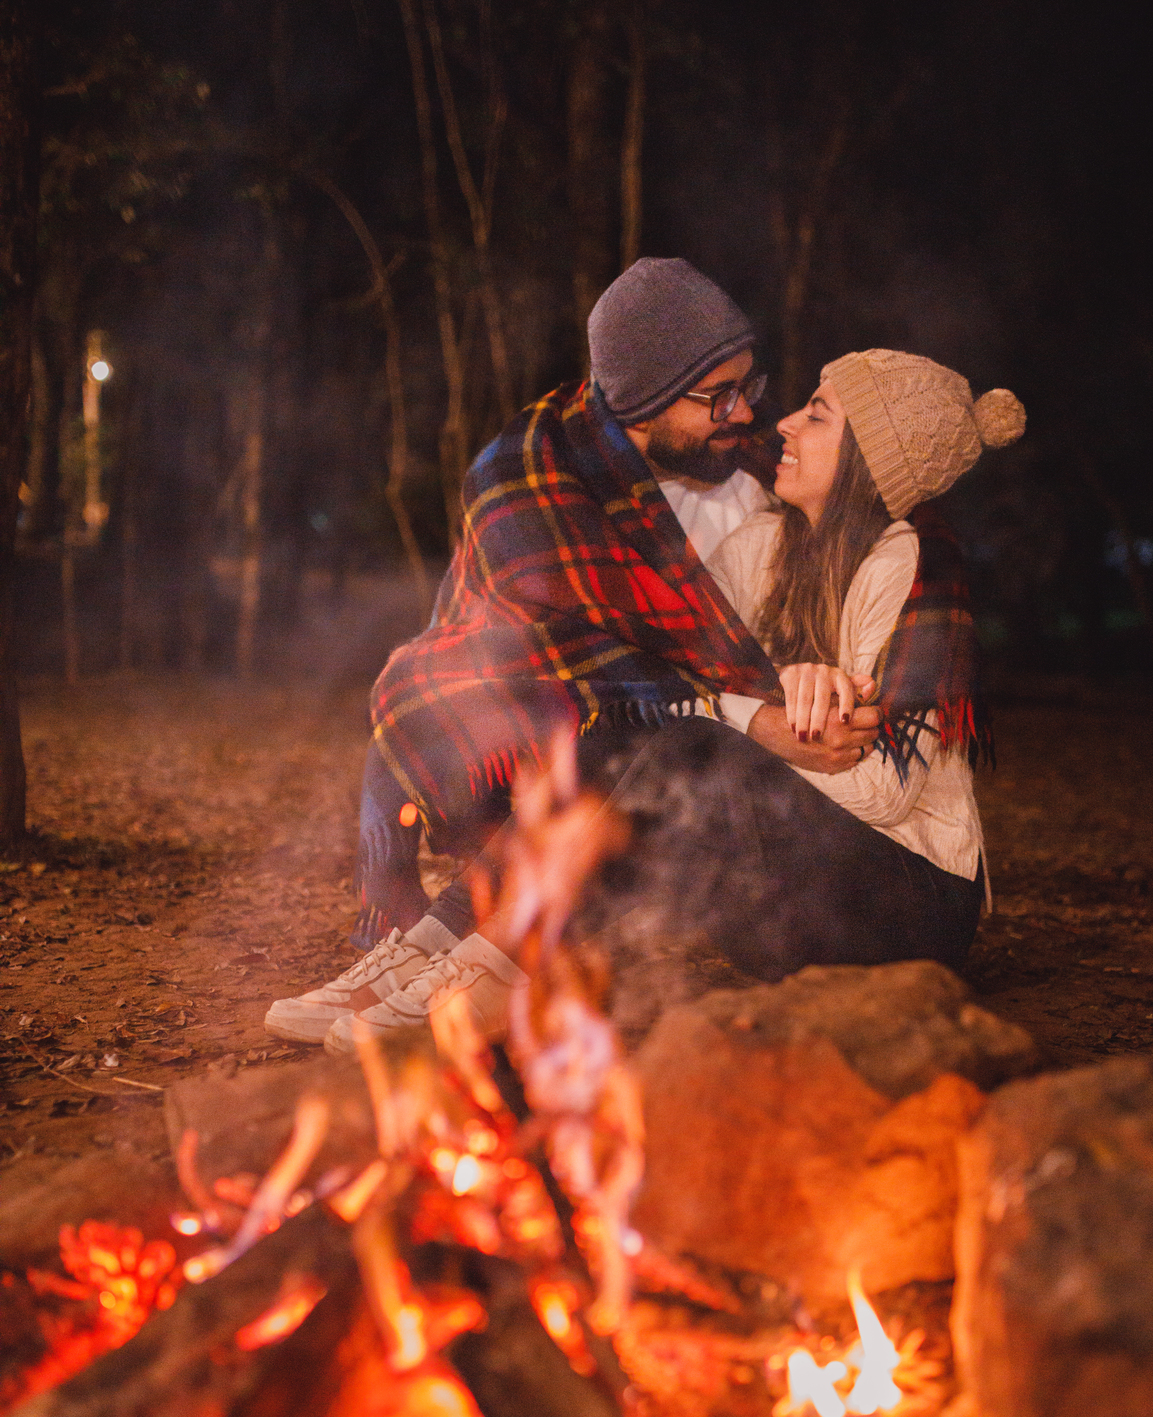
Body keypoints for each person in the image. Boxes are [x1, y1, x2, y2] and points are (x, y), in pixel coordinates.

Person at [298, 347, 1023, 1049]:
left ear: (874, 456)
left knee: (676, 748)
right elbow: (680, 683)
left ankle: (483, 979)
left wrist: (744, 724)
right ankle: (438, 950)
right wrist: (759, 717)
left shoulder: (912, 571)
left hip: (905, 906)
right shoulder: (761, 548)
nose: (785, 425)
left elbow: (882, 791)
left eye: (819, 416)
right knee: (617, 736)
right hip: (789, 889)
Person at [266, 261, 880, 1045]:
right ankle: (426, 954)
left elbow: (834, 557)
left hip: (705, 769)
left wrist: (766, 699)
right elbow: (544, 658)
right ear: (643, 400)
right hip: (556, 724)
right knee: (531, 718)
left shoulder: (756, 472)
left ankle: (470, 966)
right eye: (716, 396)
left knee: (632, 750)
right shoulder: (525, 474)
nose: (743, 414)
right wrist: (743, 709)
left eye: (747, 386)